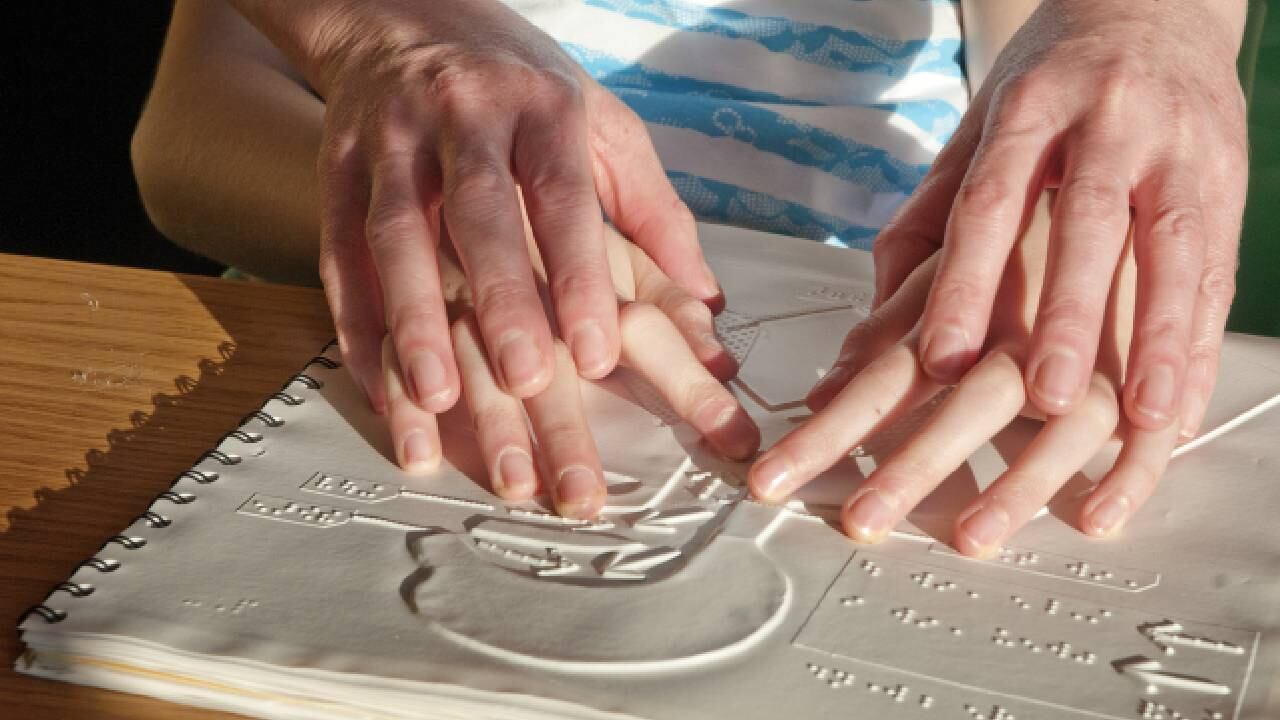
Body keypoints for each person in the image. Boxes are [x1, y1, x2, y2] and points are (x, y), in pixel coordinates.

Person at [132, 0, 1248, 554]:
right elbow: (185, 135)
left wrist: (1060, 221)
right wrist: (444, 228)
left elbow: (1102, 61)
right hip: (386, 334)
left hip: (879, 347)